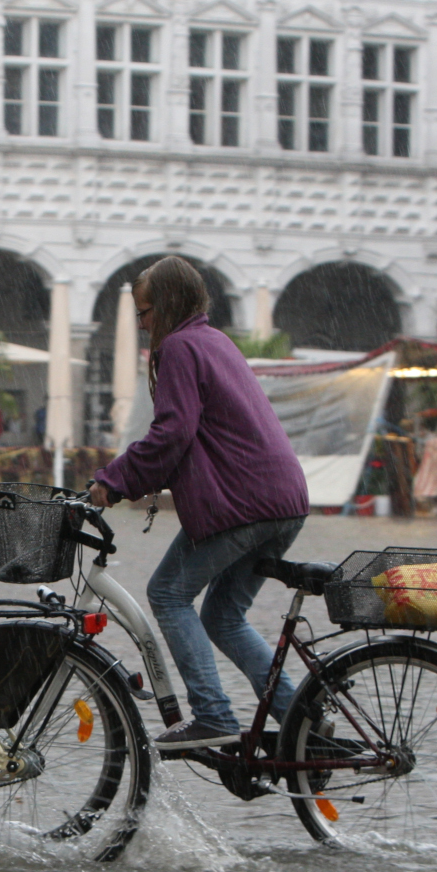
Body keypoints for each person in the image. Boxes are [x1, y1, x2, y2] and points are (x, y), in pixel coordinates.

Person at [88, 256, 310, 751]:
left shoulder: (181, 347)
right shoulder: (214, 340)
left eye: (145, 313)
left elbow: (172, 433)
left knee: (167, 593)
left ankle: (213, 715)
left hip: (244, 501)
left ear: (165, 306)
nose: (143, 324)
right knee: (223, 616)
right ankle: (302, 716)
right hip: (282, 499)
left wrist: (112, 482)